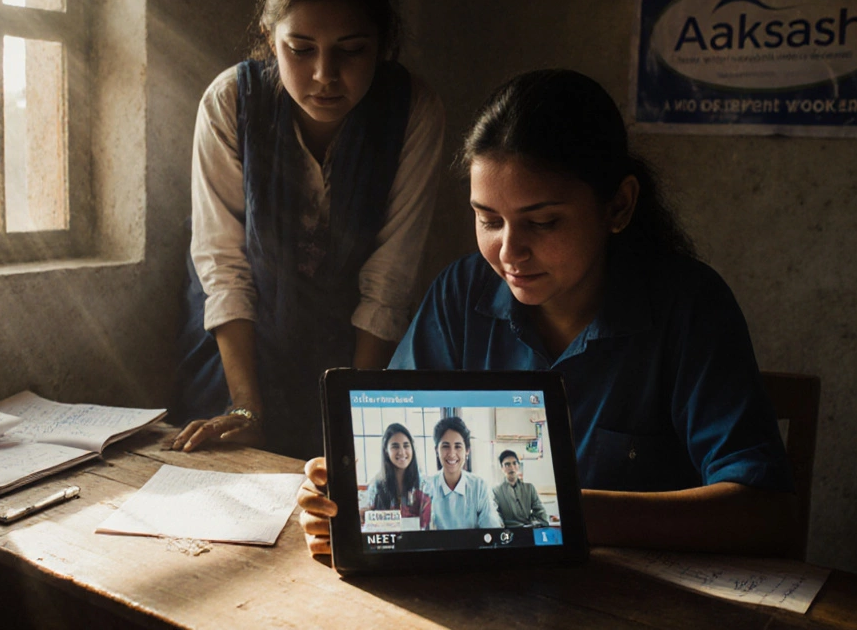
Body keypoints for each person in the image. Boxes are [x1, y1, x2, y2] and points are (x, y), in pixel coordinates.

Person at [297, 69, 795, 557]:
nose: (510, 252)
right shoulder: (462, 295)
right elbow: (391, 435)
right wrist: (346, 500)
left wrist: (564, 517)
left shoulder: (688, 307)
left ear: (618, 206)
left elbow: (763, 510)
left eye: (543, 222)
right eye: (488, 220)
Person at [170, 0, 445, 459]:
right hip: (235, 350)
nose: (325, 76)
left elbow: (390, 278)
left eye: (352, 50)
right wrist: (245, 407)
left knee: (338, 495)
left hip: (353, 352)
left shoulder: (413, 111)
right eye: (300, 50)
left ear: (383, 45)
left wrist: (356, 415)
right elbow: (223, 265)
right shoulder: (229, 102)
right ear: (268, 37)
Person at [420, 417, 503, 530]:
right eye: (445, 446)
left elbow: (492, 531)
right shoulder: (427, 488)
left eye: (458, 446)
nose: (452, 453)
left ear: (467, 450)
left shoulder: (479, 487)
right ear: (436, 450)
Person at [358, 423, 432, 531]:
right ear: (386, 451)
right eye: (395, 446)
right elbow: (369, 523)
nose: (402, 452)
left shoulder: (425, 485)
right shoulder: (377, 485)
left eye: (406, 445)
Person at [492, 450, 550, 528]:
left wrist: (533, 523)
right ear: (502, 468)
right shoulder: (496, 491)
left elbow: (540, 511)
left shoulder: (529, 488)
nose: (512, 467)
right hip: (509, 532)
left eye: (514, 463)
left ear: (518, 466)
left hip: (530, 529)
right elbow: (496, 516)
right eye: (507, 464)